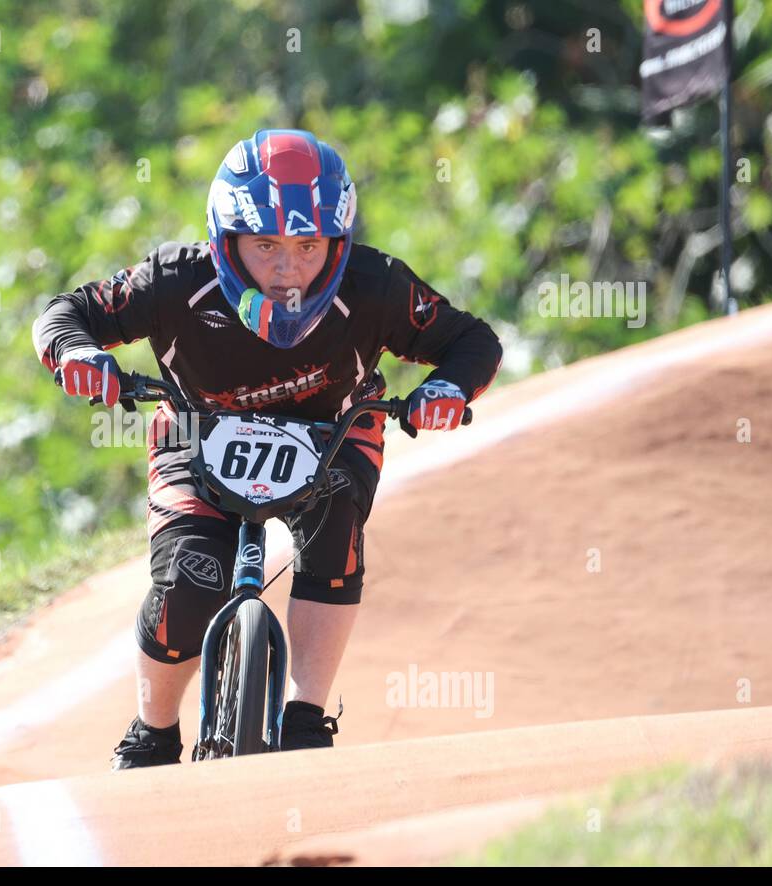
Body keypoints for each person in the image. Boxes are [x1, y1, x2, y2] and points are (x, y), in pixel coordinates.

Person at [32, 128, 502, 769]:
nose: (288, 269)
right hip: (196, 432)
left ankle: (307, 714)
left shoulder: (376, 286)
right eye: (266, 245)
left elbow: (471, 340)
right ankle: (153, 730)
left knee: (335, 535)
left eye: (308, 245)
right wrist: (80, 355)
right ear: (225, 242)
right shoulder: (174, 282)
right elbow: (67, 311)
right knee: (186, 586)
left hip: (335, 433)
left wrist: (443, 388)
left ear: (337, 243)